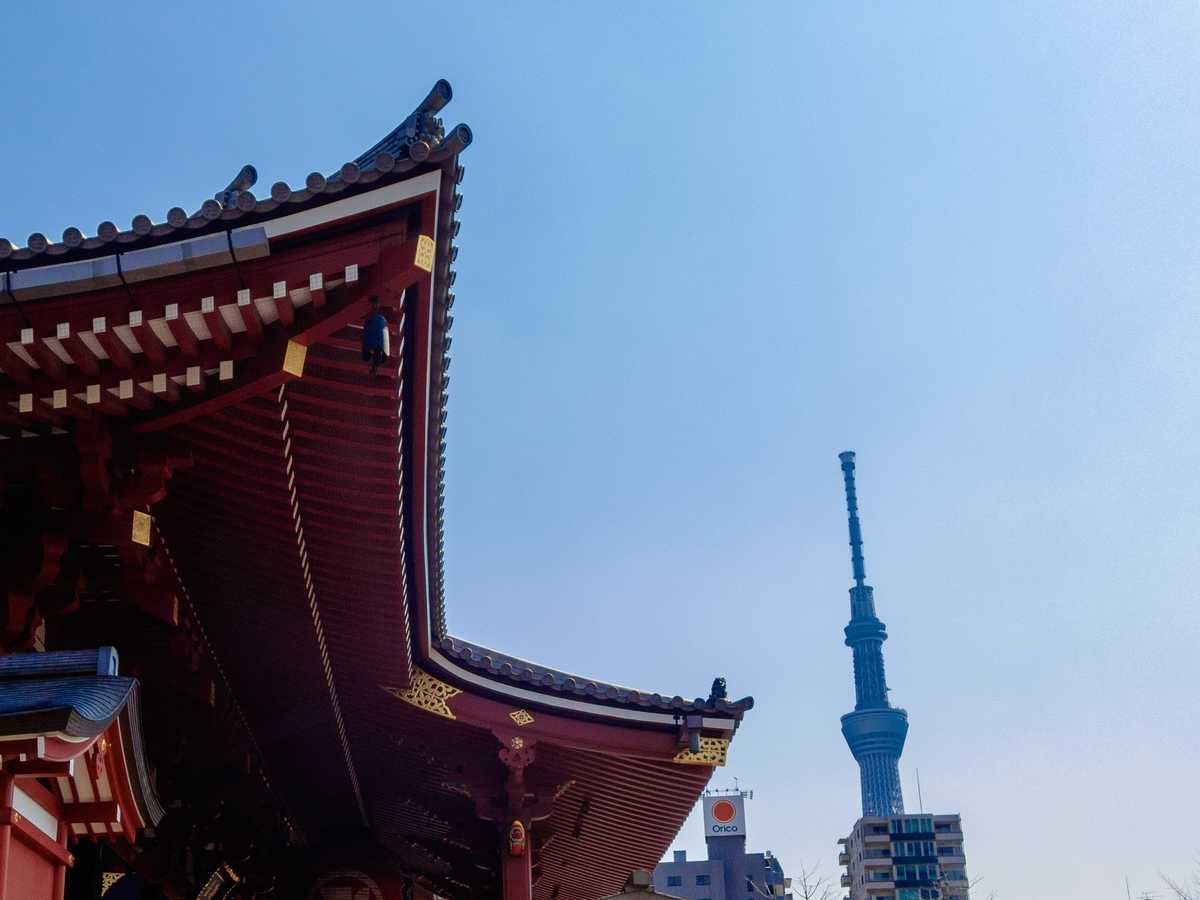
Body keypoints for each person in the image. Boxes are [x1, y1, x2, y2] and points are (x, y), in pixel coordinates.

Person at [361, 297, 389, 375]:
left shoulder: (381, 356)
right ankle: (375, 303)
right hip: (376, 331)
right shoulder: (379, 357)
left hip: (377, 329)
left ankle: (375, 304)